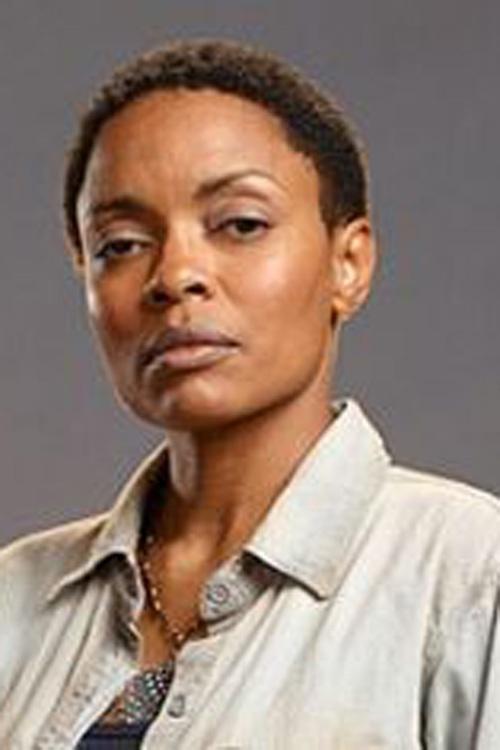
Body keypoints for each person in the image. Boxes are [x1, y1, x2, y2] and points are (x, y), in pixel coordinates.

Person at [1, 39, 500, 750]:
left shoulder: (466, 575)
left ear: (349, 263)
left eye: (241, 225)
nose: (174, 275)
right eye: (121, 244)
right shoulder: (16, 598)